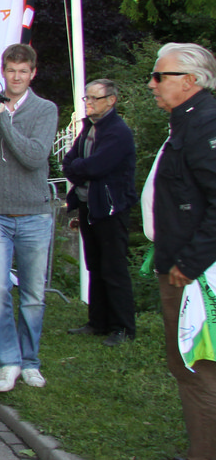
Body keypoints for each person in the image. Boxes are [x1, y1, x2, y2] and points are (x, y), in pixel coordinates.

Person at [145, 43, 216, 460]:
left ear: (191, 80)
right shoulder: (187, 121)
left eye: (160, 76)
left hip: (194, 273)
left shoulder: (204, 124)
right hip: (181, 264)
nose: (152, 84)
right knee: (187, 365)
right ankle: (202, 451)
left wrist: (189, 262)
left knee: (196, 366)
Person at [0, 43, 59, 393]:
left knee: (33, 294)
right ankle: (8, 361)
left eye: (23, 71)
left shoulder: (45, 109)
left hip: (34, 214)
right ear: (3, 71)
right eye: (11, 70)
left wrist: (4, 121)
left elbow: (34, 157)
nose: (17, 77)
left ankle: (30, 361)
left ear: (33, 73)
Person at [62, 79, 137, 346]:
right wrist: (80, 168)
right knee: (94, 264)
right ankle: (98, 321)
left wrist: (80, 168)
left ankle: (123, 327)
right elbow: (67, 162)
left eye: (94, 98)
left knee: (113, 267)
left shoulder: (118, 132)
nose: (89, 103)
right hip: (88, 205)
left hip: (111, 208)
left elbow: (97, 166)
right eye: (87, 98)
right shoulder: (89, 129)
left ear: (111, 100)